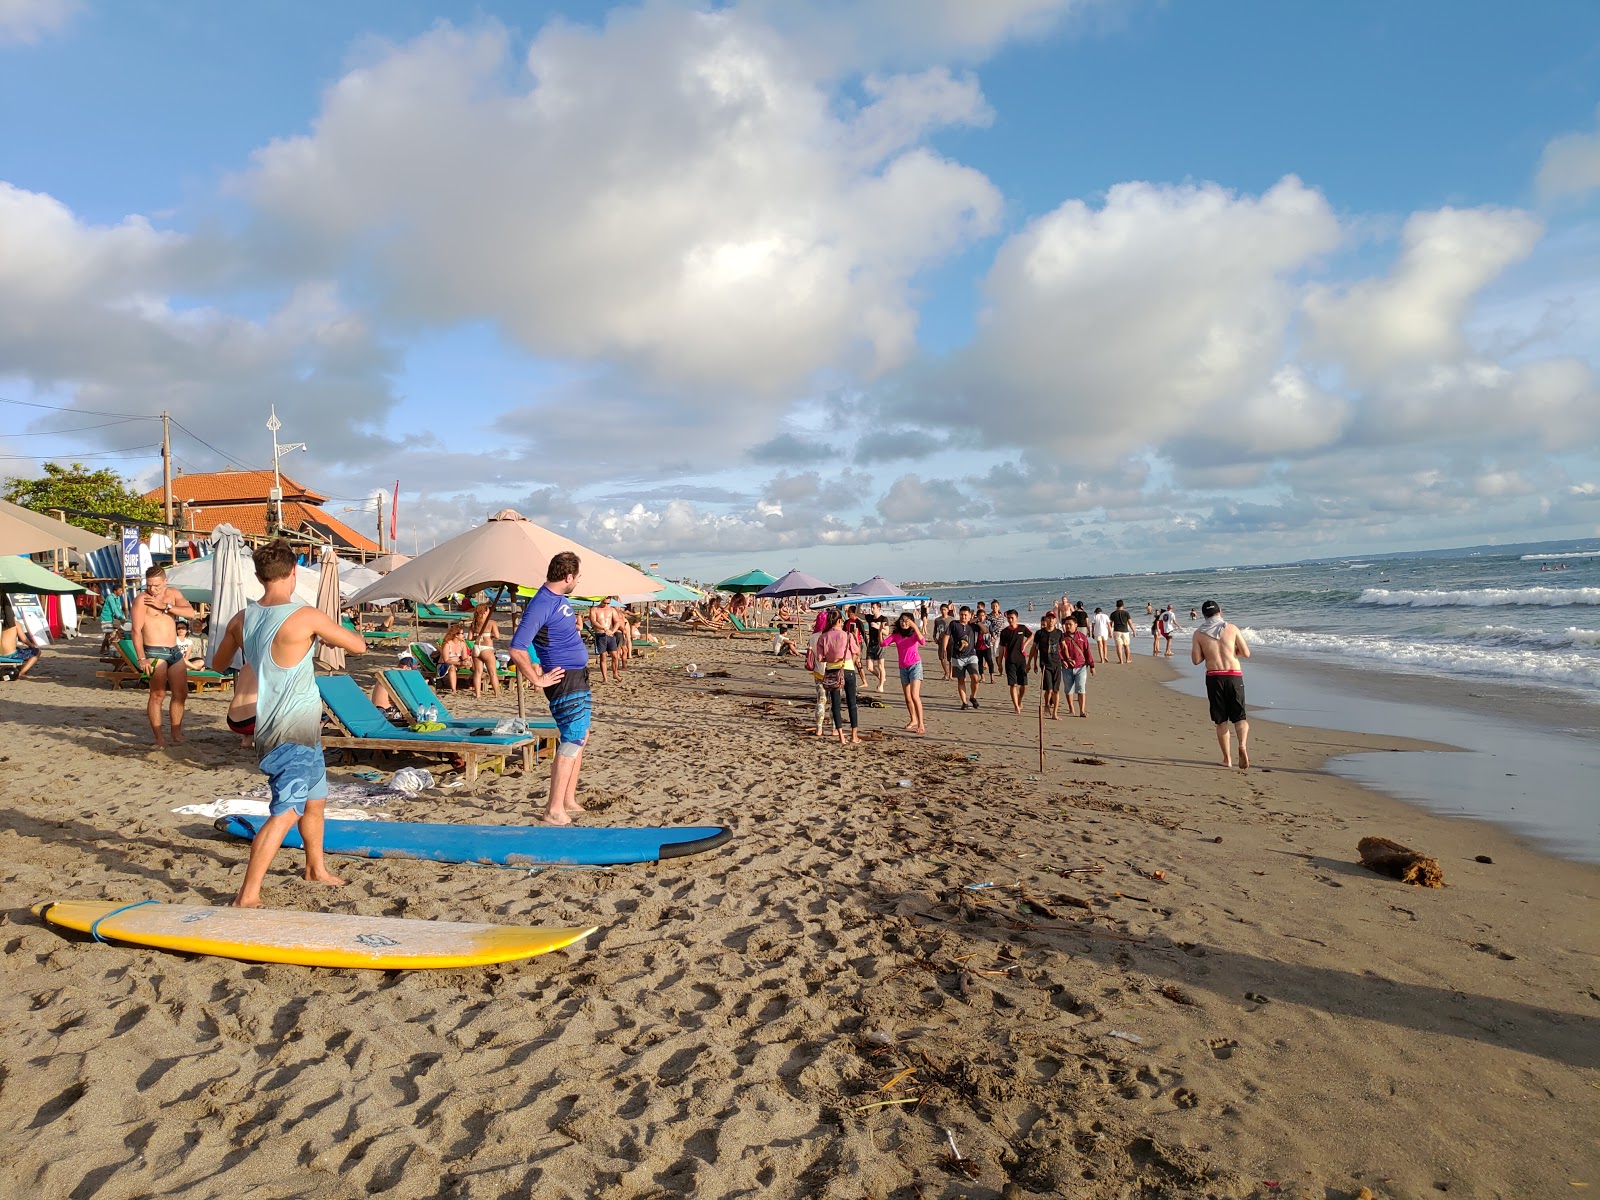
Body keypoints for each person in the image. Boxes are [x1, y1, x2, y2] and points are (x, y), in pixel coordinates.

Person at [210, 539, 367, 907]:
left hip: (282, 725)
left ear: (258, 576)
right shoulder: (305, 615)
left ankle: (315, 868)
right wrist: (329, 622)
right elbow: (358, 646)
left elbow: (218, 665)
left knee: (316, 801)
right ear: (294, 571)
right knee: (286, 812)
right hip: (288, 729)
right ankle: (247, 895)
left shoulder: (241, 617)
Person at [507, 553, 585, 824]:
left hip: (577, 675)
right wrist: (536, 678)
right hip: (564, 680)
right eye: (577, 576)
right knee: (573, 736)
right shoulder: (542, 602)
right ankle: (553, 809)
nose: (577, 580)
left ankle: (568, 800)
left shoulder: (558, 600)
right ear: (568, 577)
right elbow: (517, 647)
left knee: (581, 735)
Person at [130, 564, 198, 746]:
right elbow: (136, 631)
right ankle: (159, 737)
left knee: (181, 693)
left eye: (156, 586)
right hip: (154, 651)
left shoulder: (173, 594)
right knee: (158, 694)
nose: (152, 589)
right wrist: (141, 657)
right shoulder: (141, 600)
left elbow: (191, 613)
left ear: (165, 582)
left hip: (174, 651)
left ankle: (176, 732)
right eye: (149, 585)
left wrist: (166, 607)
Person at [1191, 599, 1251, 769]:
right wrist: (1231, 652)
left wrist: (1208, 654)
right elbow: (1246, 653)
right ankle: (1242, 746)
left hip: (1214, 676)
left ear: (1203, 615)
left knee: (1221, 720)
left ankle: (1227, 759)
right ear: (1220, 612)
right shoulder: (1231, 628)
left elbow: (1196, 660)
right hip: (1233, 674)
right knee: (1240, 717)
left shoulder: (1198, 633)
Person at [812, 608, 862, 745]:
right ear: (840, 621)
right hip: (848, 669)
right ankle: (854, 735)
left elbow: (821, 658)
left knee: (836, 704)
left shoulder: (823, 637)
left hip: (832, 671)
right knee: (852, 703)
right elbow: (857, 651)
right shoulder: (847, 635)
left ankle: (841, 736)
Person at [884, 611, 926, 734]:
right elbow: (883, 643)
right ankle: (913, 719)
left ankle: (921, 724)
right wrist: (880, 631)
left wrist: (915, 627)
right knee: (907, 698)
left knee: (914, 695)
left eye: (907, 621)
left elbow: (923, 642)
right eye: (902, 620)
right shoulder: (896, 635)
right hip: (903, 668)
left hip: (915, 666)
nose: (904, 623)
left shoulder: (914, 634)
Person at [943, 605, 983, 709]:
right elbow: (947, 636)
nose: (963, 617)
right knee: (961, 680)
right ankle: (964, 702)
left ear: (970, 615)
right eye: (961, 614)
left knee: (975, 677)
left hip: (971, 655)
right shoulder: (954, 624)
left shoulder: (973, 625)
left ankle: (973, 697)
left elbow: (986, 631)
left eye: (965, 615)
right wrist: (944, 648)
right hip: (957, 657)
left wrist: (977, 621)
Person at [1029, 609, 1065, 719]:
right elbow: (1034, 648)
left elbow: (1064, 647)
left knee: (1056, 690)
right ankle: (1046, 705)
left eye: (1053, 618)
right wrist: (1031, 663)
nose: (1051, 620)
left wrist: (1067, 659)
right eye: (1049, 618)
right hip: (1045, 664)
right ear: (1046, 619)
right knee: (1048, 689)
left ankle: (1055, 713)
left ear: (1055, 620)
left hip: (1057, 664)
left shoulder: (1059, 633)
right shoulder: (1040, 633)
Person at [996, 609, 1032, 713]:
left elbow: (1031, 635)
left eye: (1012, 618)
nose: (1010, 620)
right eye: (1008, 618)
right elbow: (1001, 647)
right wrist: (999, 662)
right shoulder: (1004, 632)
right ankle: (1016, 706)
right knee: (1013, 684)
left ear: (1017, 618)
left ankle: (1019, 700)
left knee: (1024, 685)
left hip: (1021, 659)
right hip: (1009, 660)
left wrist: (1025, 644)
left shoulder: (1022, 628)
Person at [1060, 615, 1096, 717]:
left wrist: (1092, 665)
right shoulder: (1061, 637)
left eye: (1070, 624)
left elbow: (1087, 651)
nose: (1067, 626)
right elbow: (1059, 651)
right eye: (1066, 624)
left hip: (1081, 667)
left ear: (1076, 625)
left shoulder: (1082, 637)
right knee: (1068, 689)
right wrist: (1063, 660)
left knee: (1081, 688)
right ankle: (1071, 707)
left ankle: (1082, 710)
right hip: (1067, 668)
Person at [0, 595, 43, 679]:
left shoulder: (1, 625)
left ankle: (19, 668)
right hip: (11, 655)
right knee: (37, 652)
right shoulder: (15, 624)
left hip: (0, 653)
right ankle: (21, 673)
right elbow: (24, 639)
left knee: (19, 649)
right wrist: (32, 645)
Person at [469, 601, 502, 698]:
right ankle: (496, 694)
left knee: (478, 673)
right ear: (485, 611)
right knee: (492, 673)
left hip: (476, 648)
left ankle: (478, 694)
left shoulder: (474, 623)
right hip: (487, 648)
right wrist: (490, 636)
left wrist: (478, 637)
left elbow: (470, 638)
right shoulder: (491, 623)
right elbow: (497, 636)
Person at [589, 597, 624, 683]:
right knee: (603, 656)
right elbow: (593, 621)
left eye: (608, 603)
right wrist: (604, 628)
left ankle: (615, 673)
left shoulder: (612, 610)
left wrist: (613, 631)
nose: (606, 605)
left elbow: (617, 622)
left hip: (610, 634)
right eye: (605, 603)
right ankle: (605, 678)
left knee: (615, 656)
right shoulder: (594, 609)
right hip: (600, 634)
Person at [435, 623, 473, 691]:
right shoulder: (447, 644)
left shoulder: (462, 644)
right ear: (456, 635)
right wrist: (460, 663)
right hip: (444, 664)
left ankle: (473, 685)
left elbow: (464, 657)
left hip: (457, 663)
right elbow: (446, 660)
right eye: (462, 633)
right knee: (452, 667)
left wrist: (466, 660)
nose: (463, 635)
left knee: (473, 664)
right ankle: (454, 689)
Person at [862, 601, 889, 693]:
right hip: (871, 644)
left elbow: (887, 632)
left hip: (880, 644)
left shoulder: (884, 619)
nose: (872, 609)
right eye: (871, 608)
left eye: (873, 608)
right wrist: (859, 604)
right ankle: (881, 677)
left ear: (878, 608)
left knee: (881, 666)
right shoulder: (870, 617)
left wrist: (878, 627)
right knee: (869, 667)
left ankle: (881, 686)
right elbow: (858, 614)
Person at [1109, 599, 1135, 665]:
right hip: (1125, 631)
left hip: (1116, 631)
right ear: (1123, 605)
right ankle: (1127, 659)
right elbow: (1130, 623)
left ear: (1116, 605)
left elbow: (1110, 624)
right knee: (1126, 646)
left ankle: (1121, 661)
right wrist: (1134, 630)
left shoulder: (1113, 614)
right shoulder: (1126, 613)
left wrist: (1109, 632)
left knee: (1118, 646)